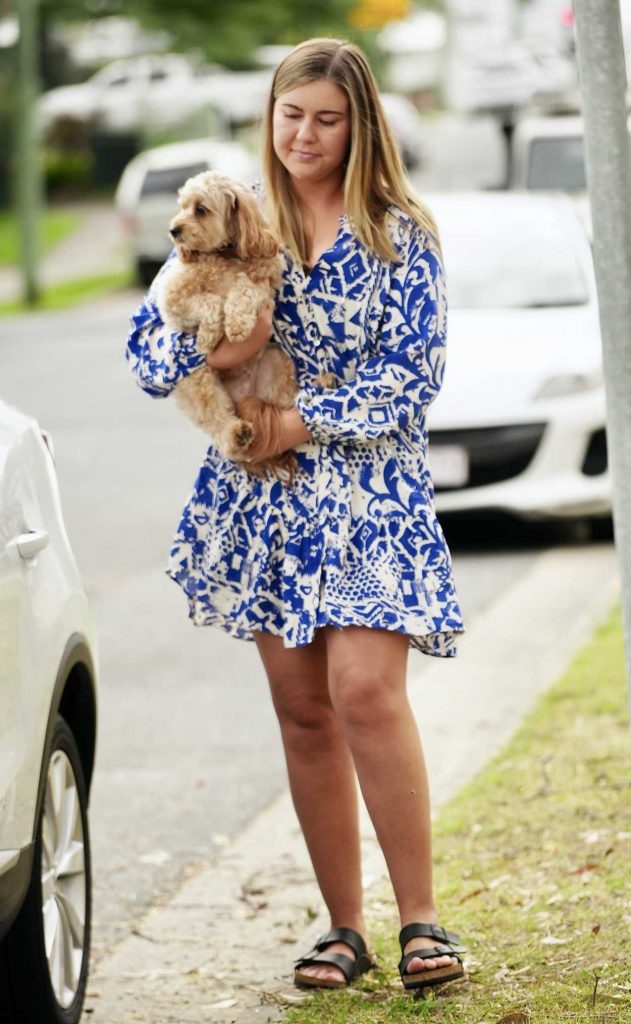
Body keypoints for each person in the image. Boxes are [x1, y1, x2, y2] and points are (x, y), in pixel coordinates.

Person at [125, 37, 466, 993]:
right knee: (303, 712)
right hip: (262, 505)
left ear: (360, 127)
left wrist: (295, 422)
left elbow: (413, 377)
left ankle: (422, 923)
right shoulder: (233, 219)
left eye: (327, 117)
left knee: (363, 691)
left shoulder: (400, 233)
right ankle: (344, 929)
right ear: (269, 118)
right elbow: (150, 350)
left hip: (368, 494)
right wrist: (222, 363)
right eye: (291, 114)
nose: (305, 134)